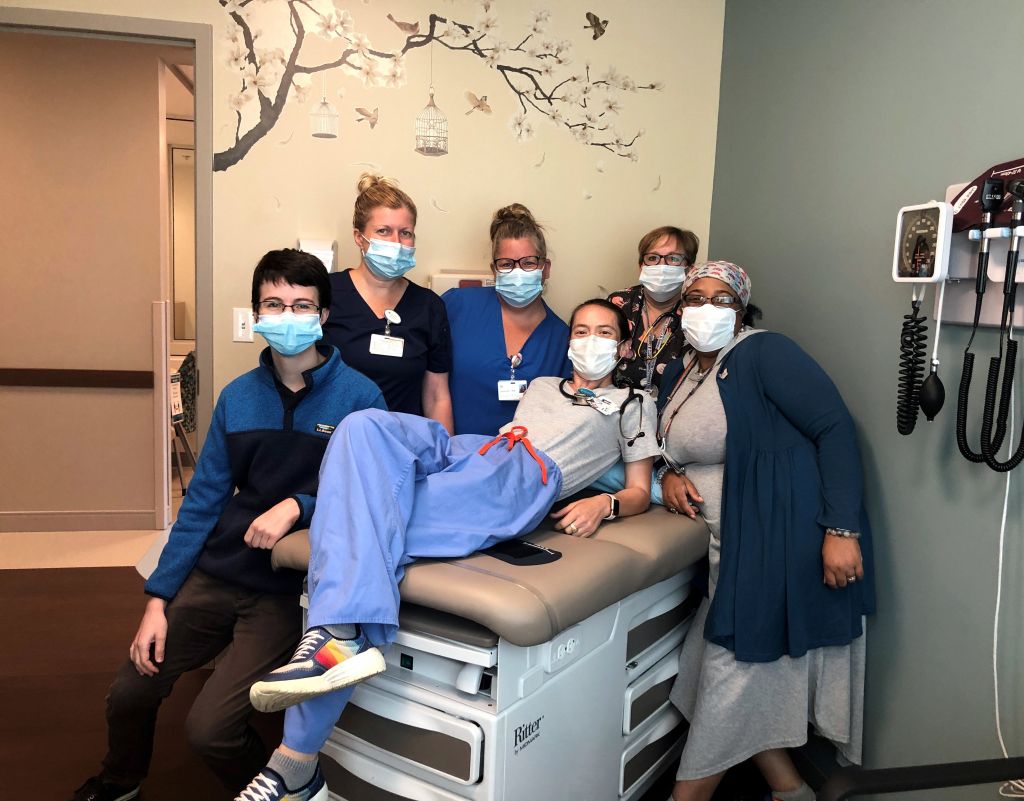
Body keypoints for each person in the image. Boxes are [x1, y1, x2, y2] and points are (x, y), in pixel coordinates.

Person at [232, 299, 661, 801]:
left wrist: (605, 505)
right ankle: (340, 642)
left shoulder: (635, 402)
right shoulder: (545, 385)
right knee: (364, 426)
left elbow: (638, 489)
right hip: (476, 449)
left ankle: (295, 758)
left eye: (604, 332)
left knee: (361, 533)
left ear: (623, 344)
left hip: (524, 479)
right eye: (582, 330)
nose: (590, 341)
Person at [70, 250, 386, 801]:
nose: (287, 315)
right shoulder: (238, 398)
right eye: (274, 303)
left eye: (301, 305)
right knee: (130, 688)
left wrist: (298, 505)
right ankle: (120, 780)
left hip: (287, 589)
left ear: (324, 316)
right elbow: (202, 502)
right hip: (220, 572)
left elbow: (374, 498)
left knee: (210, 732)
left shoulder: (361, 399)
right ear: (257, 312)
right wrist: (156, 601)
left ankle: (288, 788)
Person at [654, 262, 874, 801]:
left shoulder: (764, 352)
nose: (707, 308)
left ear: (742, 308)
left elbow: (835, 429)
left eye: (722, 299)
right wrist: (669, 475)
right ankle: (790, 788)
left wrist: (841, 529)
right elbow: (669, 443)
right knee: (704, 672)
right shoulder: (683, 368)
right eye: (696, 297)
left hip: (774, 545)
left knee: (731, 684)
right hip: (725, 553)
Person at [321, 173, 454, 431]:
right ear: (359, 237)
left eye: (405, 233)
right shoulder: (325, 293)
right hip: (332, 447)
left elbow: (437, 396)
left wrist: (445, 462)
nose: (396, 242)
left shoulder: (429, 307)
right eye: (383, 231)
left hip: (403, 449)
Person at [443, 203, 571, 434]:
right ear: (494, 270)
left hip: (524, 461)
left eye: (529, 262)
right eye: (506, 264)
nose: (518, 272)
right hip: (455, 456)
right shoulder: (458, 306)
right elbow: (430, 385)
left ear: (546, 268)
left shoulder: (562, 338)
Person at [607, 225, 700, 396]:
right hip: (615, 411)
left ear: (689, 269)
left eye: (673, 258)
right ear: (641, 266)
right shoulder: (619, 304)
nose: (661, 265)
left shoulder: (698, 313)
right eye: (653, 257)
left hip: (669, 414)